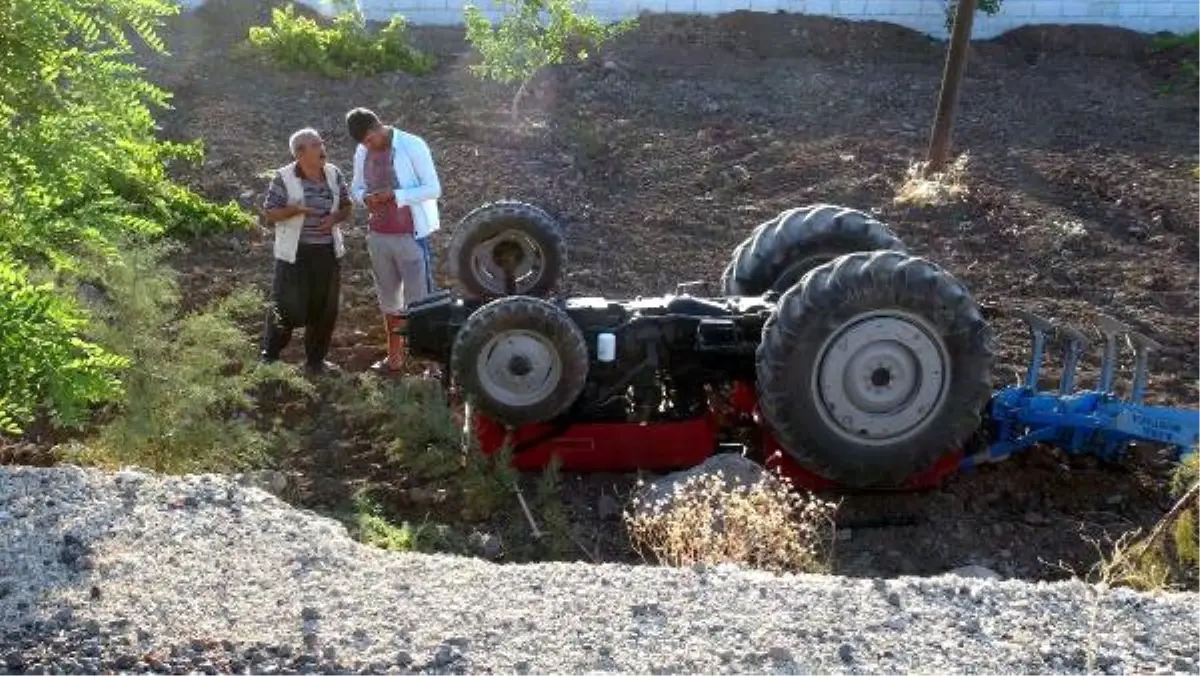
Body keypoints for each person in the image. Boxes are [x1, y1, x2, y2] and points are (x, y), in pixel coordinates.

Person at [345, 107, 442, 374]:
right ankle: (395, 357)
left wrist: (396, 195)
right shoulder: (363, 151)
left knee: (420, 301)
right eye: (363, 143)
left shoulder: (412, 145)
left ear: (378, 127)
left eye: (369, 139)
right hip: (378, 234)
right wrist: (365, 197)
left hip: (411, 234)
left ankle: (432, 364)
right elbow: (356, 187)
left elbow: (433, 188)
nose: (367, 146)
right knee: (389, 300)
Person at [259, 127, 352, 375]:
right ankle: (270, 358)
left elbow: (346, 206)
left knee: (325, 310)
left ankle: (315, 362)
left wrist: (335, 219)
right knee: (285, 306)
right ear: (300, 152)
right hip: (294, 254)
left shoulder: (333, 174)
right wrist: (297, 210)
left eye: (322, 143)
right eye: (316, 145)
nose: (323, 148)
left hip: (326, 252)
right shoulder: (284, 177)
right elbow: (270, 212)